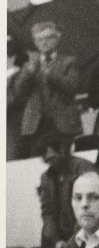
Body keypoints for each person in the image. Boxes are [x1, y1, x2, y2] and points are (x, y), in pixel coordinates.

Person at [11, 21, 82, 158]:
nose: (44, 43)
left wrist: (48, 73)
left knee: (65, 162)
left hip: (63, 124)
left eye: (48, 38)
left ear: (56, 39)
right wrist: (29, 72)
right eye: (39, 39)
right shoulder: (29, 65)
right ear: (35, 43)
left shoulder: (69, 61)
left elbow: (72, 87)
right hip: (36, 126)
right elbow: (18, 93)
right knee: (37, 163)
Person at [39, 135, 96, 248]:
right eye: (47, 160)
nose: (50, 164)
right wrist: (56, 241)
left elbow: (91, 207)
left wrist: (75, 239)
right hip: (59, 238)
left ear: (62, 152)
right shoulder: (46, 177)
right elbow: (47, 212)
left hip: (84, 233)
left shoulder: (84, 168)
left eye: (53, 158)